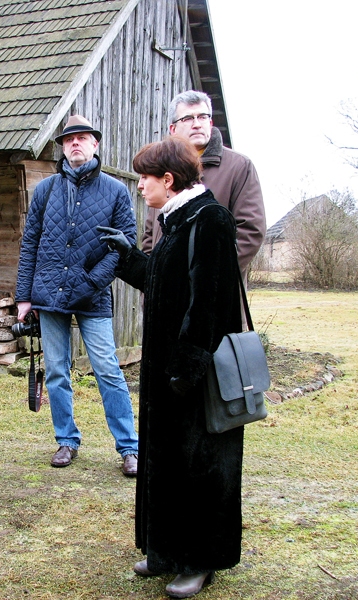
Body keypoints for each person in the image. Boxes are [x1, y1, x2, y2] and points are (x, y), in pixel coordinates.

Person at [98, 136, 244, 598]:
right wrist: (127, 256)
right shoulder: (176, 222)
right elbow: (161, 285)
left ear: (168, 179)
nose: (139, 185)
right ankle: (164, 551)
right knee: (167, 462)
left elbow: (208, 305)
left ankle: (198, 560)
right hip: (168, 371)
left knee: (201, 464)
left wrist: (185, 371)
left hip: (195, 375)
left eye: (145, 177)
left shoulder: (211, 221)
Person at [15, 115, 139, 477]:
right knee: (56, 370)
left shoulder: (115, 191)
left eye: (83, 138)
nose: (75, 144)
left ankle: (129, 447)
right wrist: (24, 296)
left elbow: (123, 247)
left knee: (108, 370)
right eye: (69, 140)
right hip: (48, 295)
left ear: (95, 144)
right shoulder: (46, 190)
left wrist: (90, 282)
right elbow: (30, 244)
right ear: (63, 147)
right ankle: (66, 440)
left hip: (93, 297)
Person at [142, 90, 265, 278]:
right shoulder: (162, 169)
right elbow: (151, 235)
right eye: (188, 119)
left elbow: (249, 232)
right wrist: (153, 280)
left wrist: (207, 280)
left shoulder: (239, 167)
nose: (197, 124)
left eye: (203, 117)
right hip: (165, 296)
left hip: (212, 298)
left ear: (211, 122)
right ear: (173, 129)